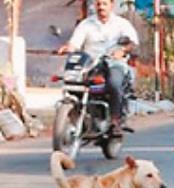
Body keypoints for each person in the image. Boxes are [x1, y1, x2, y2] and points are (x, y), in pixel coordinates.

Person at [58, 0, 138, 134]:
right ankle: (77, 116)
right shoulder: (86, 24)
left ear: (111, 5)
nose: (101, 7)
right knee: (74, 83)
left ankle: (115, 121)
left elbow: (132, 43)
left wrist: (122, 50)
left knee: (114, 84)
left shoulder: (122, 24)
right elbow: (75, 43)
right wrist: (67, 48)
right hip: (91, 64)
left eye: (104, 4)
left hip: (114, 63)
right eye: (98, 4)